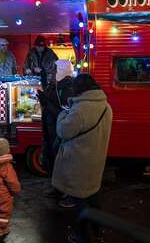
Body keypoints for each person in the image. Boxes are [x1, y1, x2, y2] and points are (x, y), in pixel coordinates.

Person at [52, 73, 112, 209]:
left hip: (80, 155)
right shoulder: (106, 106)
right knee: (90, 184)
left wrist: (62, 114)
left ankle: (76, 204)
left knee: (79, 186)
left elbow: (63, 131)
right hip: (96, 153)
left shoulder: (80, 109)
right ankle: (91, 212)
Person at [37, 59, 74, 178]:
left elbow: (65, 114)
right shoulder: (55, 85)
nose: (52, 73)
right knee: (52, 158)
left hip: (58, 131)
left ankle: (61, 189)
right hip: (51, 128)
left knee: (59, 159)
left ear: (61, 71)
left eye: (54, 70)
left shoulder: (68, 89)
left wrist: (46, 103)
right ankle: (55, 184)